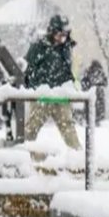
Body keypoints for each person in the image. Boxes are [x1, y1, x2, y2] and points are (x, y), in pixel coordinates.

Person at [22, 15, 82, 161]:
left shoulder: (67, 48)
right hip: (42, 96)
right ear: (52, 32)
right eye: (60, 34)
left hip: (61, 96)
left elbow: (70, 70)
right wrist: (34, 87)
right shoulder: (39, 48)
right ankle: (22, 155)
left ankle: (79, 158)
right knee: (31, 129)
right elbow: (27, 69)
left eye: (65, 34)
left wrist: (72, 87)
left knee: (68, 128)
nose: (63, 38)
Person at [80, 60, 108, 126]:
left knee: (89, 106)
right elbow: (105, 82)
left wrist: (86, 87)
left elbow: (84, 81)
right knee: (98, 107)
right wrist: (100, 84)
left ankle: (89, 119)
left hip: (90, 92)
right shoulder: (101, 72)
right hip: (99, 92)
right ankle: (97, 120)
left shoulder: (88, 71)